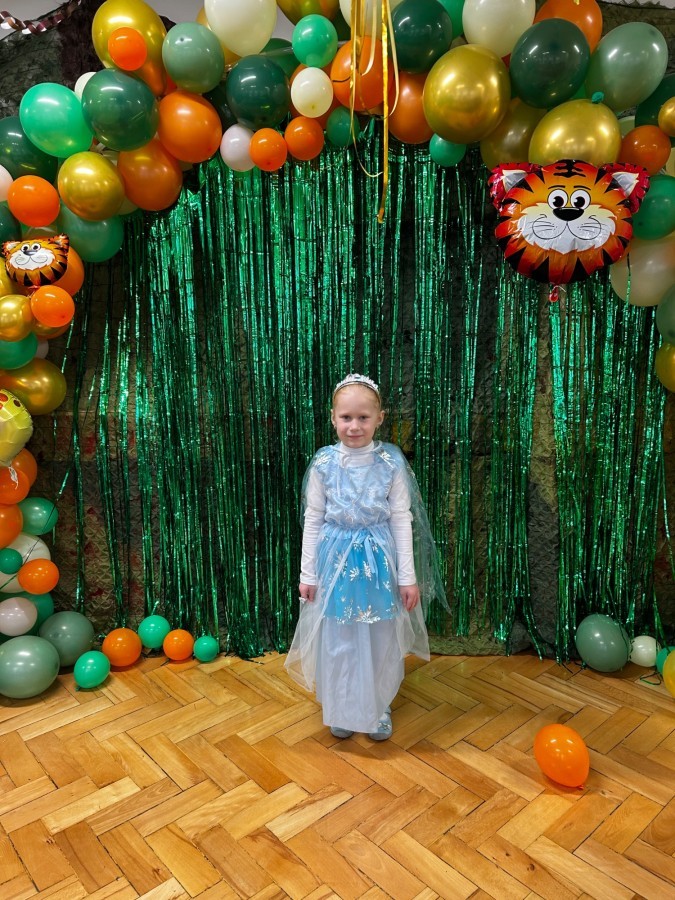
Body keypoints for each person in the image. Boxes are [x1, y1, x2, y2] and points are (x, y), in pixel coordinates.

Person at [285, 373, 446, 741]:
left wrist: (407, 577)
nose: (354, 426)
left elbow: (401, 518)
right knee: (339, 634)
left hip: (377, 564)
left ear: (379, 418)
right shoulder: (324, 463)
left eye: (363, 417)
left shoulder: (390, 462)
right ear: (333, 418)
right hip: (335, 564)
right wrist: (307, 574)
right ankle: (342, 706)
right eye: (346, 417)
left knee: (379, 635)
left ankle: (376, 705)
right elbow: (313, 518)